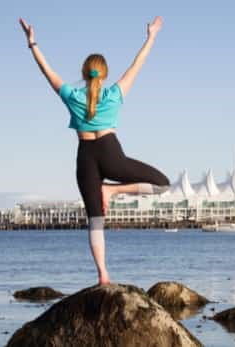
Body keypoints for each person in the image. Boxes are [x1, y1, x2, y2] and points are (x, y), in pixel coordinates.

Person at [19, 16, 170, 285]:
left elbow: (47, 72)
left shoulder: (72, 96)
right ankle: (112, 190)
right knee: (163, 184)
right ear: (106, 73)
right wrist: (151, 36)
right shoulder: (114, 94)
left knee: (95, 221)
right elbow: (138, 64)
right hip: (112, 154)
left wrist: (32, 43)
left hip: (85, 158)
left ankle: (102, 274)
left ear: (83, 72)